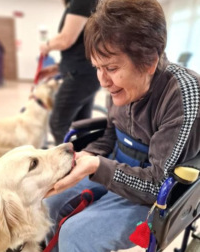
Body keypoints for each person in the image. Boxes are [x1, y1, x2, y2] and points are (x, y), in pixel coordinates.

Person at [43, 0, 200, 251]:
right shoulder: (118, 84)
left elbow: (157, 185)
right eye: (97, 68)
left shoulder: (182, 93)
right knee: (46, 203)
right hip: (116, 167)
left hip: (153, 197)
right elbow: (111, 135)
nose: (103, 81)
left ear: (149, 61)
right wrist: (86, 157)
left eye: (112, 68)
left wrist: (97, 166)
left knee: (76, 234)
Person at [39, 0, 100, 145]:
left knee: (57, 123)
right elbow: (81, 46)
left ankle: (68, 163)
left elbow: (66, 39)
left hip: (80, 75)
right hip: (86, 74)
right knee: (81, 126)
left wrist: (46, 46)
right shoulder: (87, 3)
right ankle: (82, 160)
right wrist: (58, 67)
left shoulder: (81, 2)